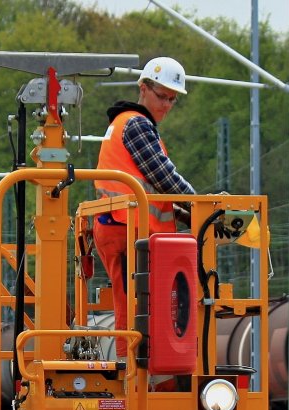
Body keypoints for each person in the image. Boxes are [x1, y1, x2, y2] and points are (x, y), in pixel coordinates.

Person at [93, 56, 195, 357]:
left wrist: (185, 213)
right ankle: (133, 370)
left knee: (139, 303)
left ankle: (141, 368)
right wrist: (205, 206)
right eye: (162, 96)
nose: (166, 104)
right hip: (126, 229)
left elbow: (152, 190)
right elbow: (163, 176)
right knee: (135, 304)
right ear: (143, 89)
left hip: (127, 227)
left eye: (172, 99)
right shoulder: (136, 124)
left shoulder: (130, 125)